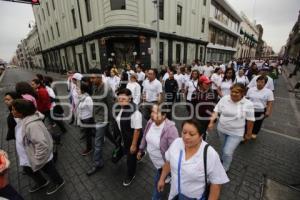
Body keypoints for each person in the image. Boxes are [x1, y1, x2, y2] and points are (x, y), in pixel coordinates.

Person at [157, 119, 229, 200]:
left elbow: (216, 184)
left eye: (192, 134)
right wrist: (162, 179)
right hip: (174, 193)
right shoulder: (177, 143)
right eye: (184, 132)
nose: (186, 137)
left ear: (201, 135)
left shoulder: (210, 154)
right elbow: (168, 162)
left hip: (193, 197)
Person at [11, 99, 64, 195]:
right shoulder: (23, 119)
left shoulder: (32, 125)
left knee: (49, 169)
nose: (12, 111)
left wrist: (37, 159)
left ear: (21, 112)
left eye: (14, 110)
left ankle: (58, 182)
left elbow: (41, 144)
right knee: (31, 169)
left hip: (39, 156)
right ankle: (42, 182)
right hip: (30, 155)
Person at [208, 84, 255, 171]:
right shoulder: (225, 98)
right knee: (223, 148)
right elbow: (216, 110)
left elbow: (250, 120)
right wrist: (211, 122)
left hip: (236, 132)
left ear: (243, 93)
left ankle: (225, 167)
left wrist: (249, 133)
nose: (233, 94)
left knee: (227, 151)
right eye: (232, 91)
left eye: (236, 92)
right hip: (221, 129)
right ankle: (224, 158)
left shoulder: (248, 104)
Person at [138, 104, 179, 199]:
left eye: (156, 113)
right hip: (156, 163)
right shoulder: (150, 122)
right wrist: (141, 149)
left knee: (158, 184)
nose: (152, 114)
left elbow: (174, 153)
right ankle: (168, 177)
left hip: (164, 165)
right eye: (152, 111)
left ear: (164, 116)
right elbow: (145, 136)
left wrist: (166, 171)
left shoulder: (171, 130)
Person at [86, 68, 114, 176]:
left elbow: (111, 107)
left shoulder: (107, 89)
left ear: (99, 77)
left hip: (103, 119)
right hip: (96, 117)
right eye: (90, 78)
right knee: (109, 135)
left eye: (93, 77)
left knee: (98, 142)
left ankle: (97, 163)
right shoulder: (94, 86)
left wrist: (111, 122)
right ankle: (119, 146)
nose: (91, 80)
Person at [112, 89, 143, 186]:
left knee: (131, 159)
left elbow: (137, 130)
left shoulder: (135, 112)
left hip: (132, 139)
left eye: (123, 98)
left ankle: (131, 175)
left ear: (130, 98)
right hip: (124, 137)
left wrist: (133, 145)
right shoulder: (122, 107)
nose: (120, 100)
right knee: (123, 154)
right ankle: (141, 152)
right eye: (119, 98)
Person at [191, 76, 218, 140]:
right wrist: (192, 117)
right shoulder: (195, 93)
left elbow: (216, 108)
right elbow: (192, 106)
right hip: (198, 118)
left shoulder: (213, 93)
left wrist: (213, 120)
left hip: (207, 118)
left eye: (209, 83)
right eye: (206, 83)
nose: (208, 85)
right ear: (200, 84)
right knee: (197, 132)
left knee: (202, 134)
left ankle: (203, 140)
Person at [76, 82, 95, 155]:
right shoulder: (82, 97)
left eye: (79, 89)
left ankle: (89, 148)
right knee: (91, 132)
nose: (77, 90)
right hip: (83, 119)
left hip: (88, 119)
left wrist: (92, 119)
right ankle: (101, 138)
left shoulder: (88, 98)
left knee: (88, 135)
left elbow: (92, 110)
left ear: (83, 90)